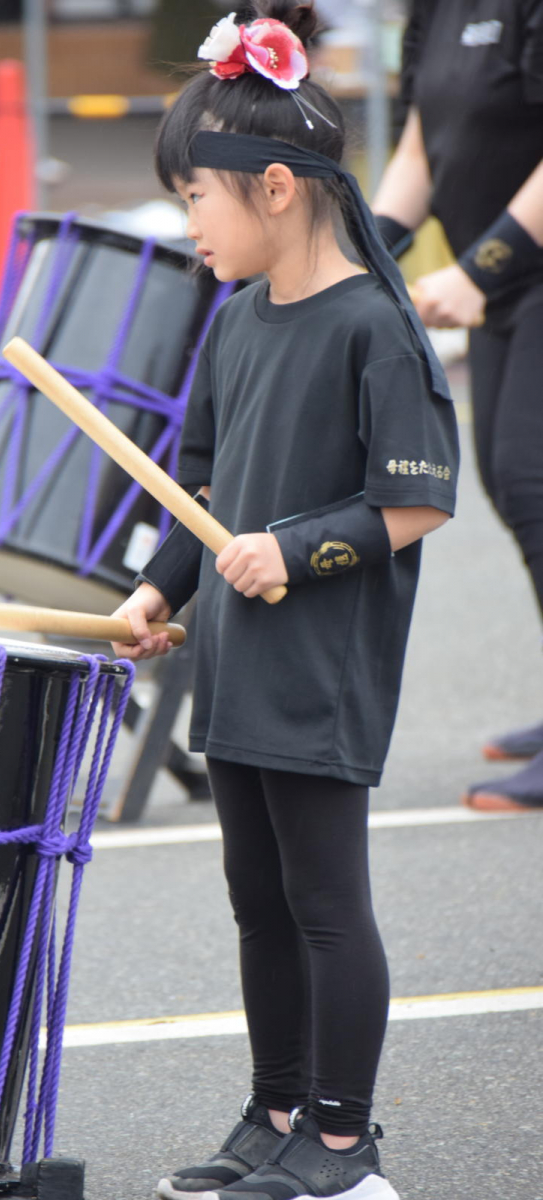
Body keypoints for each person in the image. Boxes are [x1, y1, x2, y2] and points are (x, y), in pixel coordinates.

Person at [110, 4, 458, 1199]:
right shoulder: (235, 322)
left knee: (320, 900)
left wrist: (288, 551)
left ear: (271, 187)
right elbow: (193, 481)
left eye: (193, 198)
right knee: (254, 897)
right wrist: (156, 587)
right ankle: (274, 1112)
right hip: (238, 658)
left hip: (322, 659)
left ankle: (345, 1139)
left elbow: (413, 503)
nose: (185, 225)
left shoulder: (372, 325)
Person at [371, 0, 543, 811]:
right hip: (509, 286)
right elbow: (421, 141)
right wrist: (357, 252)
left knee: (532, 480)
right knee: (514, 490)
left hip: (524, 271)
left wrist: (479, 268)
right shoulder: (435, 9)